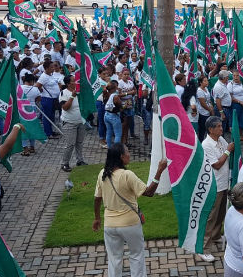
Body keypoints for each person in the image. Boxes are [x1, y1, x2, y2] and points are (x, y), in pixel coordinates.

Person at [93, 145, 168, 277]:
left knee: (114, 259)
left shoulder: (102, 173)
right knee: (136, 255)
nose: (129, 153)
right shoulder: (127, 175)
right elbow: (149, 192)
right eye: (127, 151)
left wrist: (97, 218)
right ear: (121, 157)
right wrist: (159, 171)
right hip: (130, 224)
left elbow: (97, 198)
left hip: (109, 225)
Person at [199, 116, 235, 262]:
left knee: (221, 214)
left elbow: (229, 151)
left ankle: (215, 236)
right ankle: (203, 248)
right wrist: (228, 151)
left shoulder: (221, 140)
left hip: (224, 184)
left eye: (221, 125)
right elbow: (217, 164)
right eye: (219, 126)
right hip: (214, 185)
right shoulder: (206, 145)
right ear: (210, 129)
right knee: (211, 217)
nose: (222, 128)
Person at [59, 75, 87, 172]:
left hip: (80, 122)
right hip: (69, 123)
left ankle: (80, 160)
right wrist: (72, 96)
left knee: (79, 143)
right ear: (68, 84)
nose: (76, 82)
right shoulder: (64, 93)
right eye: (74, 81)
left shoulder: (80, 92)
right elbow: (65, 107)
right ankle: (65, 163)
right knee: (70, 144)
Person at [35, 60, 60, 139]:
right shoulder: (43, 77)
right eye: (51, 67)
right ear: (46, 68)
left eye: (53, 66)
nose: (53, 68)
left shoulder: (50, 75)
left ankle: (51, 131)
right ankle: (48, 133)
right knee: (47, 117)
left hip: (53, 99)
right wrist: (40, 91)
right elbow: (36, 86)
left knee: (52, 116)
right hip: (47, 99)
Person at [228, 70, 243, 141]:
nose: (235, 77)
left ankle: (240, 135)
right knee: (235, 120)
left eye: (237, 75)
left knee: (241, 120)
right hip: (236, 105)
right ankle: (234, 137)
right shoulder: (230, 84)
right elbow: (230, 97)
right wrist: (239, 102)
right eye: (234, 75)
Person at [104, 81, 123, 148]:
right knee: (118, 134)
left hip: (106, 115)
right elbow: (121, 106)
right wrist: (125, 105)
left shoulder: (106, 94)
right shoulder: (115, 97)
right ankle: (116, 150)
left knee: (109, 132)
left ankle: (109, 147)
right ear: (114, 88)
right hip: (114, 116)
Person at [196, 75, 213, 141]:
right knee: (202, 129)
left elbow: (208, 100)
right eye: (205, 81)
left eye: (207, 81)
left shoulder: (206, 89)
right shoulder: (199, 91)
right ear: (200, 82)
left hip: (208, 110)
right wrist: (210, 110)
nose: (207, 82)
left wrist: (211, 106)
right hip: (203, 112)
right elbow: (202, 103)